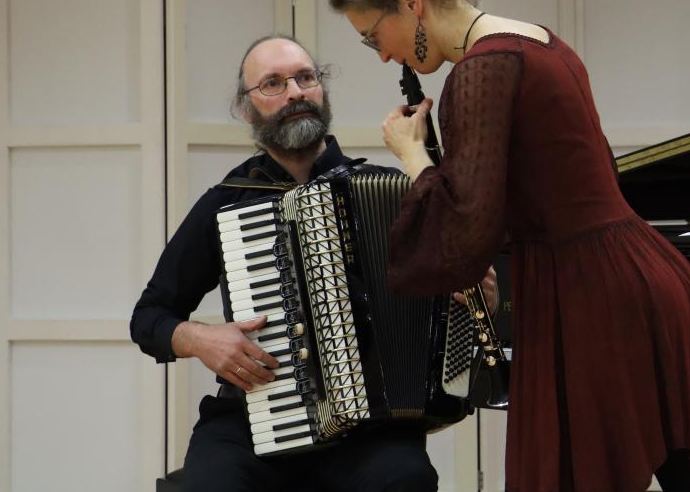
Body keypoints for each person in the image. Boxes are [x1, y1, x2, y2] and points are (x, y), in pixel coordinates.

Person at [329, 0, 690, 492]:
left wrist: (413, 155)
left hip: (592, 293)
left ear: (411, 2)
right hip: (644, 273)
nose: (381, 55)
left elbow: (463, 236)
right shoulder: (540, 41)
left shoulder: (481, 71)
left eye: (373, 36)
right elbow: (542, 186)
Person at [130, 35, 496, 492]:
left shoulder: (392, 194)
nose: (295, 93)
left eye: (305, 78)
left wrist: (477, 300)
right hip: (252, 419)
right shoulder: (226, 204)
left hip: (371, 429)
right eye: (273, 83)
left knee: (406, 479)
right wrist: (199, 339)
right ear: (245, 109)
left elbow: (447, 311)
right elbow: (149, 317)